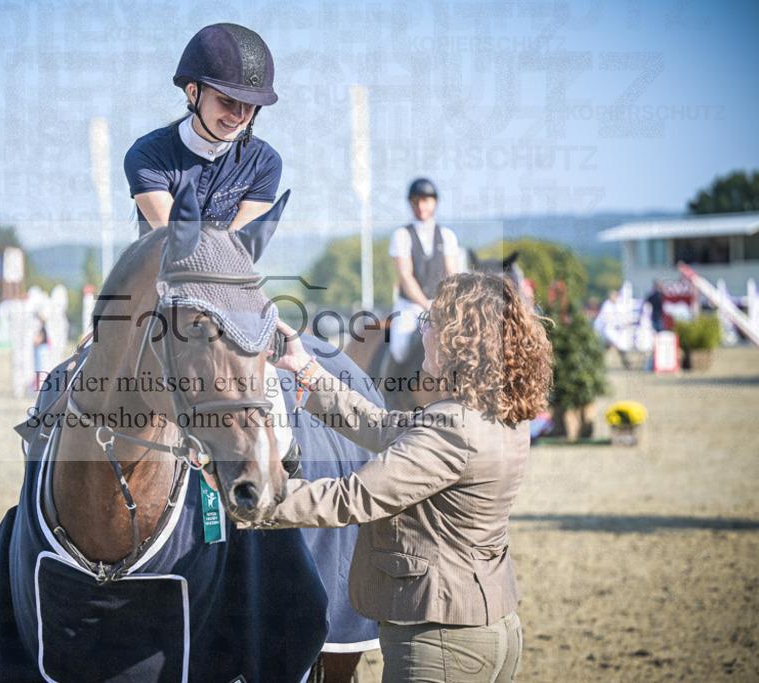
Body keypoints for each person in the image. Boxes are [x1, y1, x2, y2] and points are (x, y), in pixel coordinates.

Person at [252, 272, 553, 682]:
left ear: (459, 340)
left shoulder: (453, 428)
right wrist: (304, 368)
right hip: (488, 624)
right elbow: (381, 426)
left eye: (432, 323)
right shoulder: (496, 414)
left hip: (441, 640)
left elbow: (351, 498)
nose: (424, 333)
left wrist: (255, 498)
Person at [124, 23, 281, 236]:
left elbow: (239, 245)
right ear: (194, 93)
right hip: (163, 267)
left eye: (250, 105)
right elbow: (178, 241)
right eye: (226, 101)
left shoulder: (265, 162)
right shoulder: (147, 155)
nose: (239, 115)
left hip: (227, 268)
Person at [388, 177, 459, 365]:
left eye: (425, 201)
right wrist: (427, 307)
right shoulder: (402, 235)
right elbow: (405, 276)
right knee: (400, 349)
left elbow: (452, 274)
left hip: (439, 303)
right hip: (410, 306)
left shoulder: (447, 235)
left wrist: (447, 304)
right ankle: (391, 392)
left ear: (434, 202)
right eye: (416, 201)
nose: (421, 206)